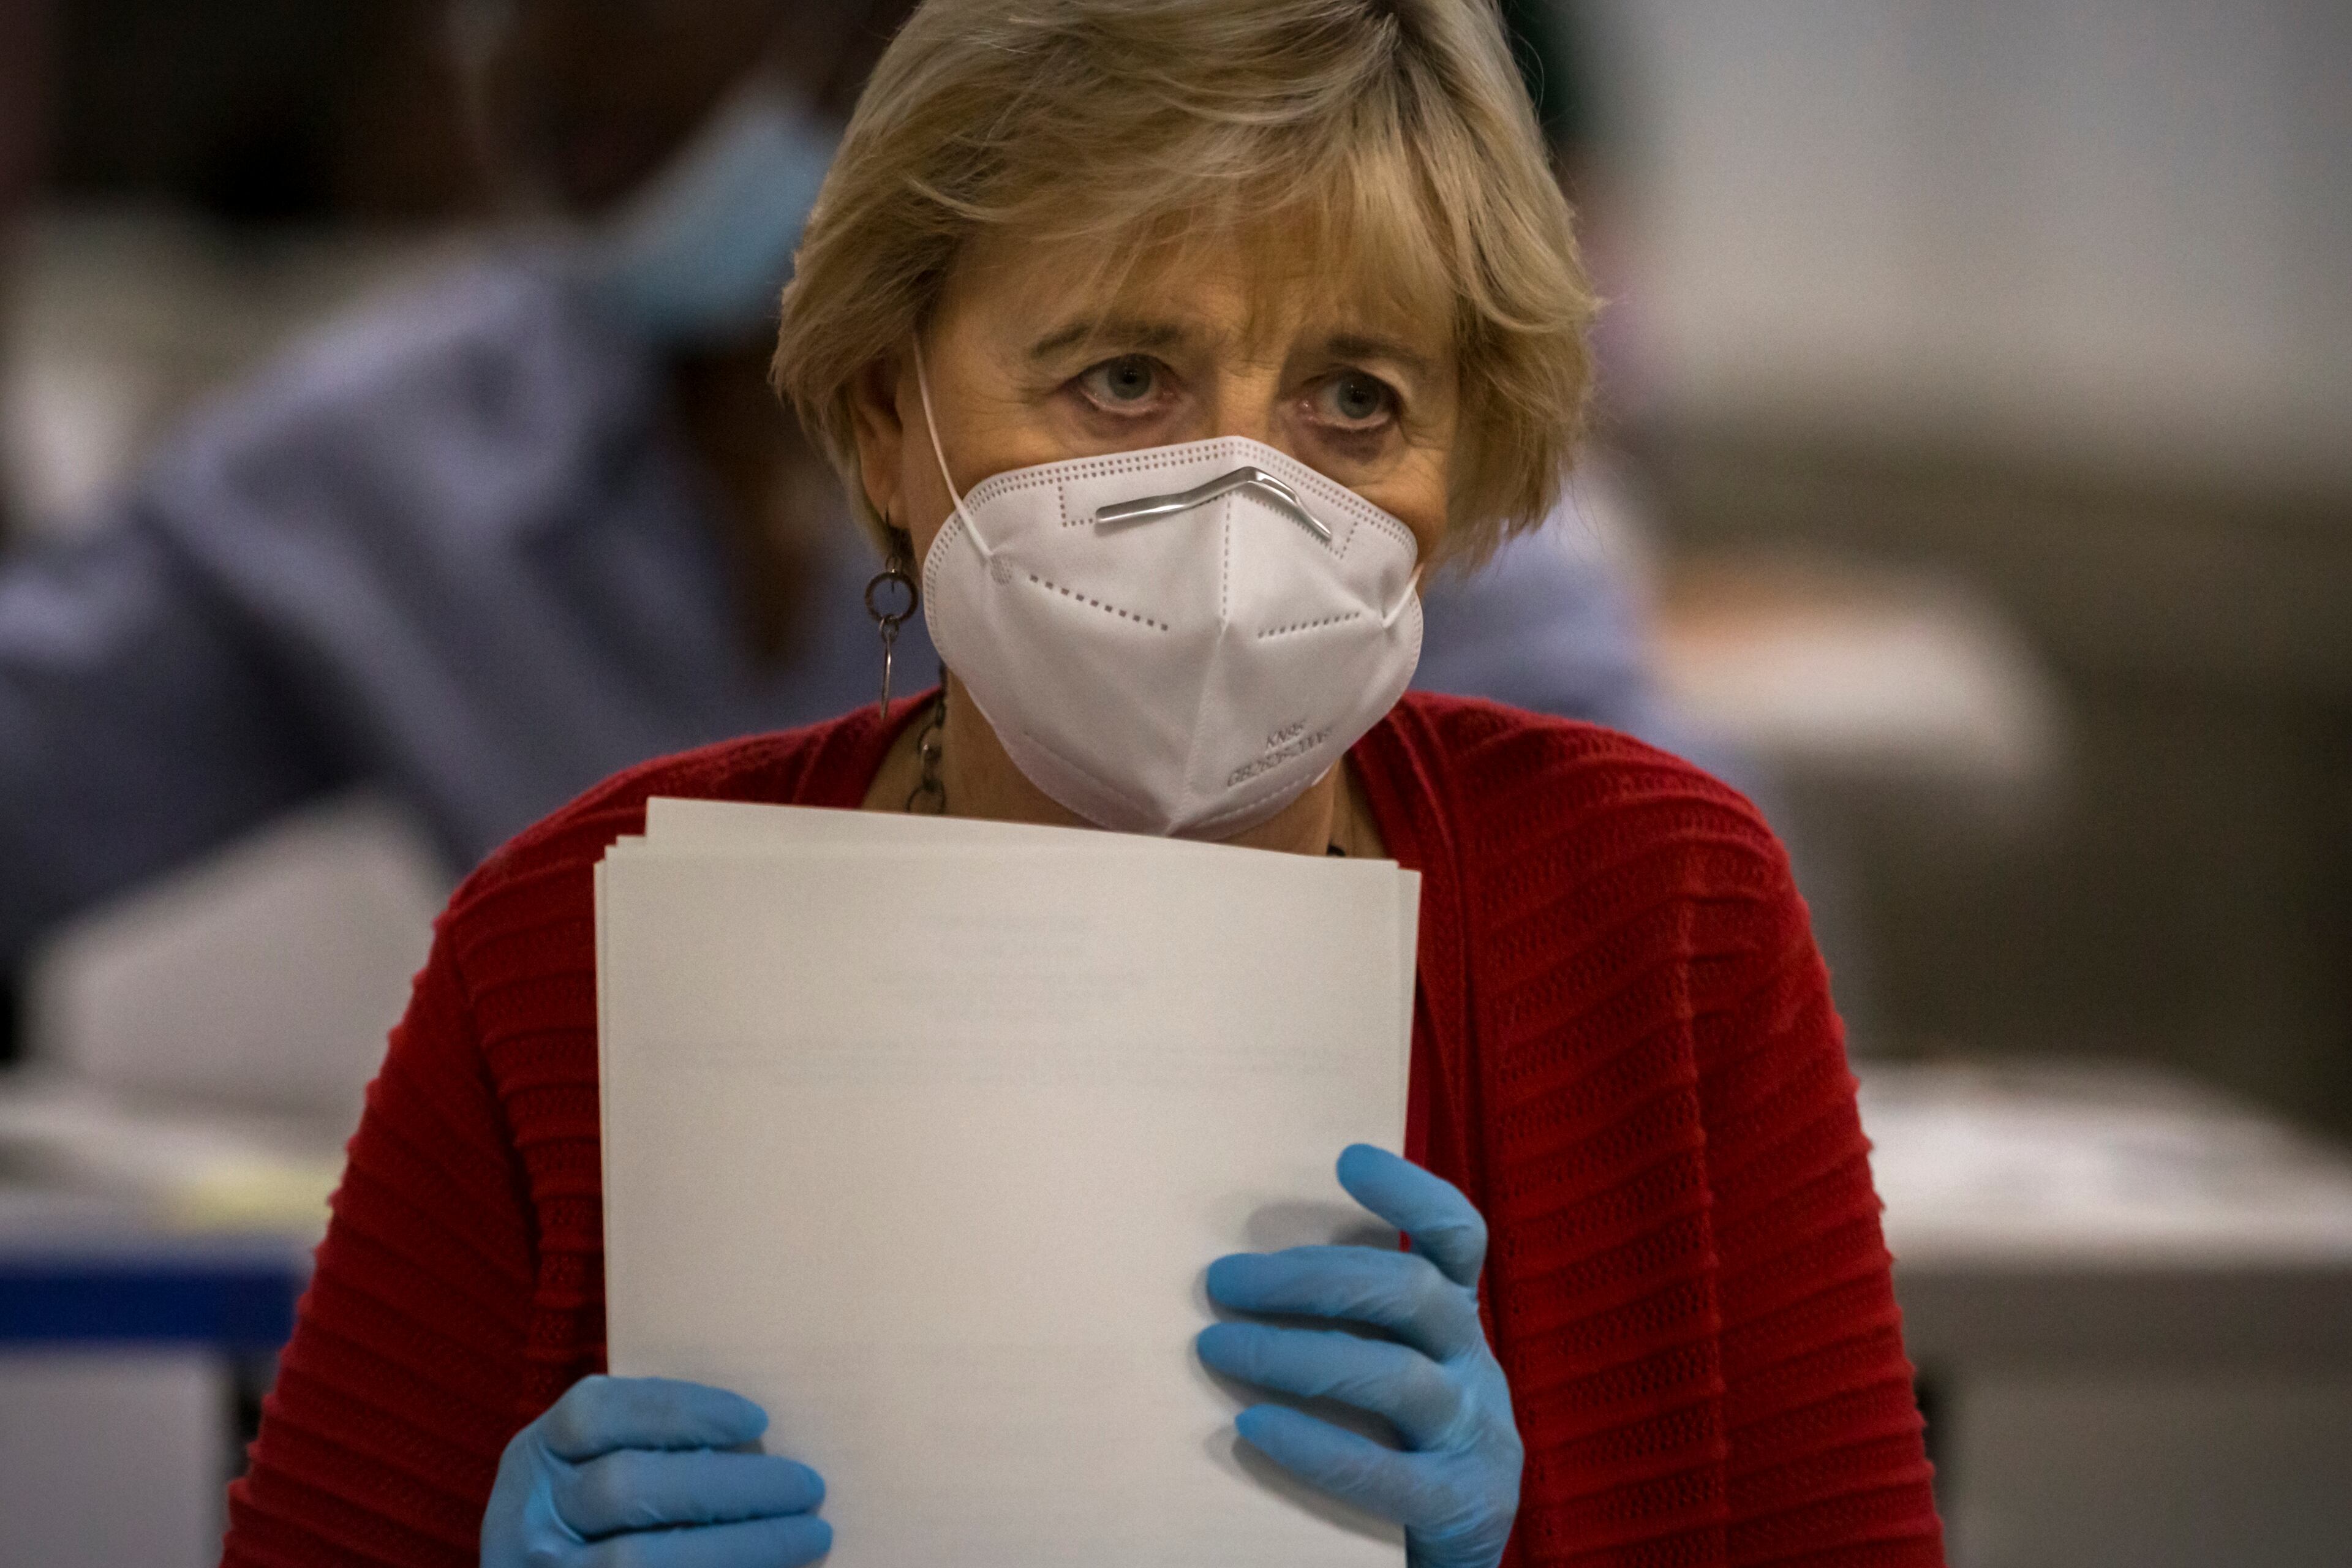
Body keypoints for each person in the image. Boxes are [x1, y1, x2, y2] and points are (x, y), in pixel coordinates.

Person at [221, 1, 1943, 1564]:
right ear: (891, 420)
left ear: (1468, 462)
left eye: (1356, 398)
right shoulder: (565, 954)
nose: (1242, 496)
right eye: (1125, 379)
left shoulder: (1659, 923)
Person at [0, 0, 1682, 1008]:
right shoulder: (367, 477)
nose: (543, 50)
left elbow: (1679, 983)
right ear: (884, 429)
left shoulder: (1317, 444)